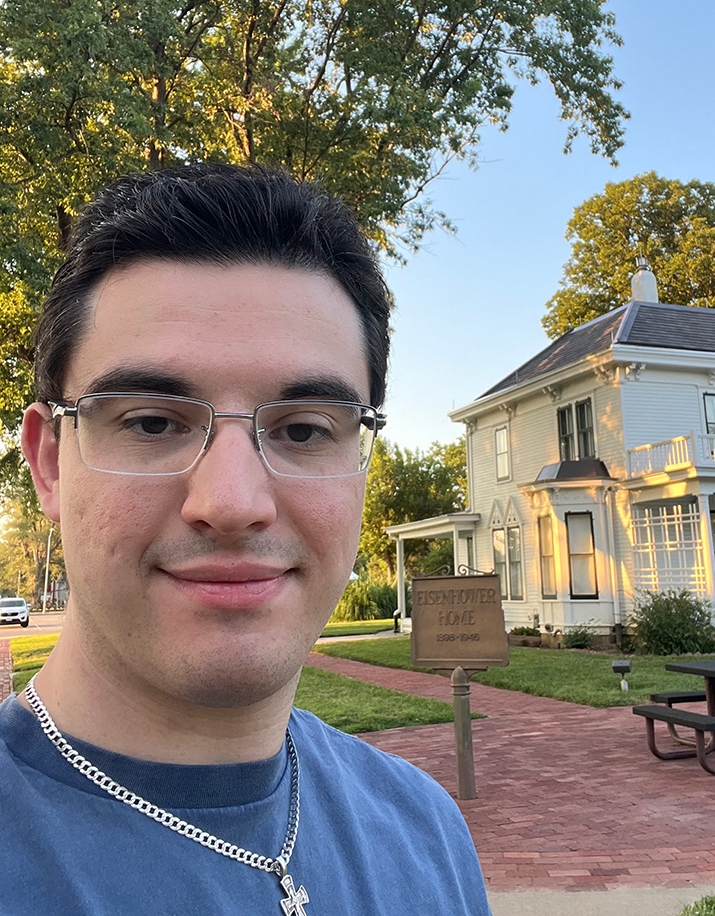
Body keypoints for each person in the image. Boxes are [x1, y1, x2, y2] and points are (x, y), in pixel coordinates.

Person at [0, 164, 492, 915]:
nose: (231, 502)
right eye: (153, 422)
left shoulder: (426, 834)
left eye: (302, 430)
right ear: (49, 462)